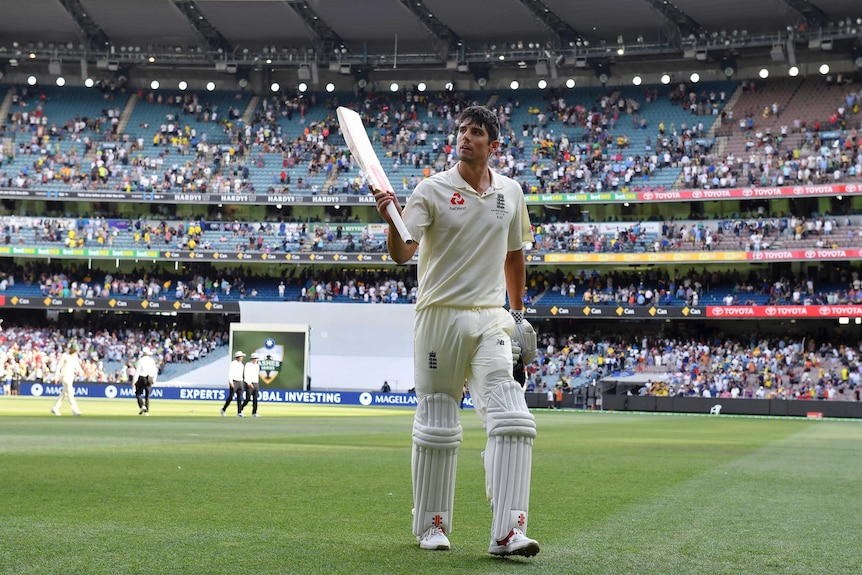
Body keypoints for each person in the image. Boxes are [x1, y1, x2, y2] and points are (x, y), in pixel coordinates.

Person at [373, 105, 540, 557]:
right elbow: (403, 254)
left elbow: (514, 255)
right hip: (439, 314)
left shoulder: (510, 191)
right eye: (462, 130)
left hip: (491, 315)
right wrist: (390, 215)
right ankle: (432, 526)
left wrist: (520, 314)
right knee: (438, 424)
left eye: (477, 132)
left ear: (493, 144)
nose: (466, 137)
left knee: (514, 417)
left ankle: (508, 531)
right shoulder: (432, 188)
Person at [51, 342, 83, 416]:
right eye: (74, 349)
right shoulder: (65, 356)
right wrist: (56, 377)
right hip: (64, 377)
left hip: (71, 377)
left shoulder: (75, 356)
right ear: (70, 348)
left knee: (64, 394)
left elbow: (77, 365)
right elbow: (58, 366)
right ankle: (75, 410)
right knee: (70, 393)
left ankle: (55, 408)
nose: (74, 351)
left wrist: (81, 372)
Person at [134, 347, 159, 415]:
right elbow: (155, 371)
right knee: (147, 396)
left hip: (142, 377)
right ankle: (147, 411)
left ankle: (142, 406)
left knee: (138, 393)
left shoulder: (141, 360)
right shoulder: (152, 361)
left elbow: (137, 371)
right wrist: (154, 380)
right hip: (149, 378)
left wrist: (134, 380)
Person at [222, 350, 246, 416]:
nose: (242, 358)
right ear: (238, 357)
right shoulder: (233, 363)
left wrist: (242, 381)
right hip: (234, 381)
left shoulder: (241, 365)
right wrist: (231, 381)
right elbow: (230, 373)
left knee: (240, 398)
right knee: (231, 397)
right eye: (241, 356)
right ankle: (223, 409)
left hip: (240, 381)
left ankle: (239, 412)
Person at [241, 352, 261, 417]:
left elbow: (256, 375)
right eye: (254, 358)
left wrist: (256, 383)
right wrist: (249, 383)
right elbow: (246, 374)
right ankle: (240, 408)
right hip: (249, 383)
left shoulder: (257, 366)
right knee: (248, 398)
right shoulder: (248, 365)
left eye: (256, 358)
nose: (255, 360)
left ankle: (254, 412)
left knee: (255, 399)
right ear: (252, 359)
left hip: (256, 383)